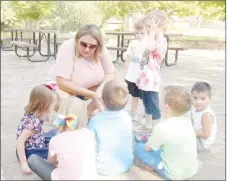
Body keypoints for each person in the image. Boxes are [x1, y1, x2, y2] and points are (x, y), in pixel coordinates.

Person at [47, 24, 115, 121]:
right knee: (65, 100)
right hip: (63, 88)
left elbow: (110, 74)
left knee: (113, 88)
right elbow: (62, 82)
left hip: (90, 88)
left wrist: (102, 87)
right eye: (83, 44)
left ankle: (87, 113)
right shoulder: (67, 47)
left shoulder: (101, 49)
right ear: (77, 39)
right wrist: (92, 94)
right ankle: (66, 123)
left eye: (92, 46)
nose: (87, 49)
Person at [134, 85, 198, 180]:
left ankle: (152, 166)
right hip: (192, 171)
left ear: (167, 107)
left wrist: (148, 144)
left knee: (138, 148)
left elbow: (147, 148)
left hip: (174, 175)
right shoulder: (188, 121)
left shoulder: (161, 127)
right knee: (162, 147)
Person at [27, 113, 97, 180]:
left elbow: (51, 162)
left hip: (64, 177)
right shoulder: (88, 133)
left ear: (62, 126)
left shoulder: (55, 140)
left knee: (33, 159)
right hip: (89, 177)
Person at [88, 80, 134, 176]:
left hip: (102, 168)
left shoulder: (95, 121)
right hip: (126, 165)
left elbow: (89, 144)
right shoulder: (127, 117)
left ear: (103, 101)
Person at [135, 10, 168, 131]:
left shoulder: (160, 41)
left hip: (152, 79)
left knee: (153, 105)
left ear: (158, 25)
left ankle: (156, 128)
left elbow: (150, 47)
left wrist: (152, 32)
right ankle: (148, 124)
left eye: (149, 26)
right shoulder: (152, 39)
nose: (147, 29)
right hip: (145, 77)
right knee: (147, 103)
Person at [16, 84, 58, 175]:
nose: (53, 108)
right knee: (55, 150)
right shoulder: (33, 123)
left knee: (55, 132)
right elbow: (20, 141)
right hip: (30, 150)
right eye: (52, 105)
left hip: (38, 140)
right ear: (43, 106)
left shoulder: (36, 112)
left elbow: (45, 119)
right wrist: (24, 163)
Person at [124, 18, 147, 121]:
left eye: (142, 33)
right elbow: (128, 59)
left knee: (145, 97)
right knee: (134, 96)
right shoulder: (133, 44)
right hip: (132, 75)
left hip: (143, 76)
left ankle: (147, 115)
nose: (139, 35)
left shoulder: (149, 44)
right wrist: (126, 73)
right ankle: (133, 113)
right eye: (137, 33)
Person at [191, 82, 217, 152]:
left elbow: (206, 134)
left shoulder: (206, 115)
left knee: (179, 140)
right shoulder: (195, 107)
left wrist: (188, 131)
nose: (198, 102)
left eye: (203, 99)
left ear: (210, 99)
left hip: (202, 143)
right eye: (195, 98)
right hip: (197, 135)